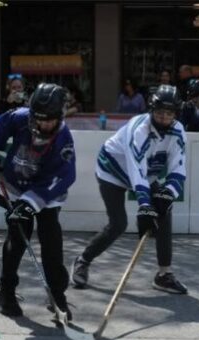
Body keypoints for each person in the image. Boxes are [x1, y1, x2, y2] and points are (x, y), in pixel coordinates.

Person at [71, 85, 189, 294]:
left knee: (164, 211)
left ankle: (164, 274)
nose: (163, 118)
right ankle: (83, 260)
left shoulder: (178, 132)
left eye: (169, 114)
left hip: (147, 173)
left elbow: (178, 170)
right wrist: (145, 206)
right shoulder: (139, 130)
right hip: (112, 170)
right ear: (151, 110)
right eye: (159, 112)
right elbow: (137, 172)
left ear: (175, 114)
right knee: (118, 224)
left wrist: (167, 194)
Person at [0, 83, 76, 320]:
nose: (43, 125)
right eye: (38, 119)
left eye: (50, 120)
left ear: (60, 116)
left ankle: (57, 296)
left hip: (45, 192)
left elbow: (65, 176)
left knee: (51, 241)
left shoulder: (63, 138)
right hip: (15, 185)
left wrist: (30, 203)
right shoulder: (20, 117)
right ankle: (6, 290)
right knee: (17, 238)